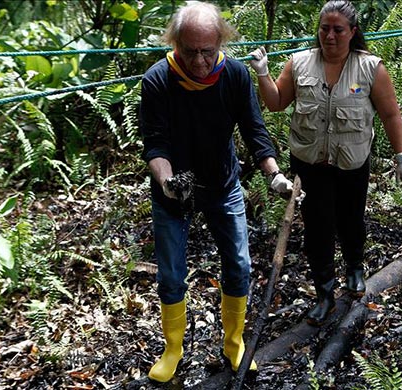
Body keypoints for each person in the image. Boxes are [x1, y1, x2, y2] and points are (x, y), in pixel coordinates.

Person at [139, 1, 294, 383]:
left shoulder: (236, 75)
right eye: (189, 51)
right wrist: (167, 182)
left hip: (223, 183)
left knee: (239, 265)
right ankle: (173, 348)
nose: (199, 61)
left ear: (220, 42)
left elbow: (255, 131)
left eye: (208, 51)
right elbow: (154, 146)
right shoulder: (158, 80)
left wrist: (274, 175)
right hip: (173, 190)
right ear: (175, 43)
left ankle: (234, 342)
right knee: (172, 275)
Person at [249, 0, 402, 326]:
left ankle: (355, 269)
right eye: (325, 29)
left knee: (351, 220)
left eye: (338, 29)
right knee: (318, 229)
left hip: (352, 162)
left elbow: (390, 114)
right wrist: (263, 73)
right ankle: (324, 293)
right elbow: (277, 102)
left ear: (353, 32)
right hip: (310, 164)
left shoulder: (370, 68)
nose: (330, 36)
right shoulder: (299, 64)